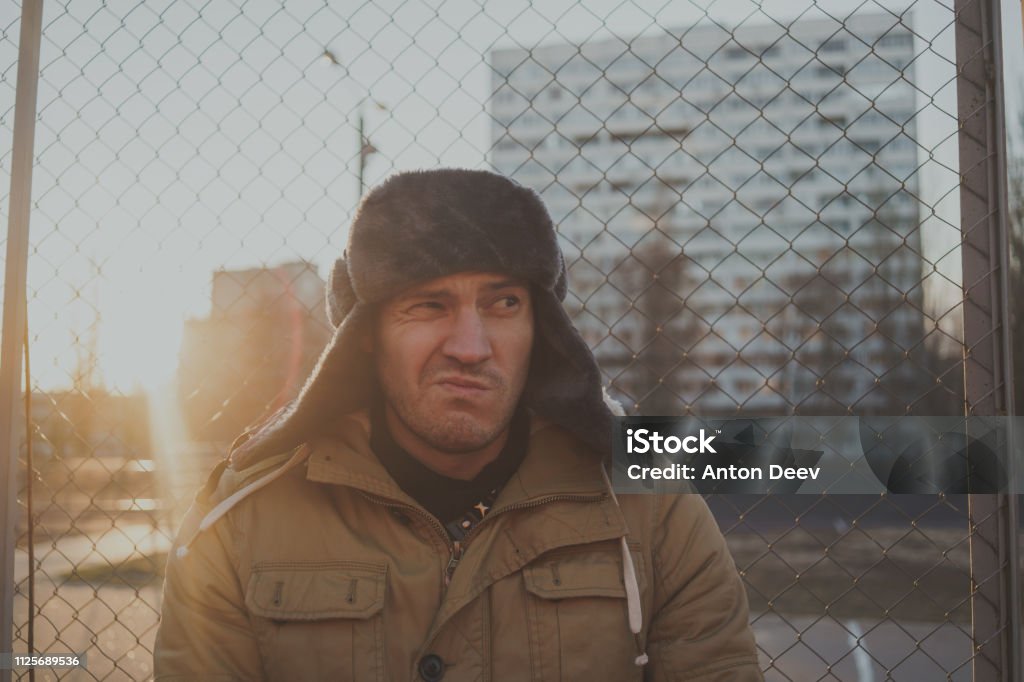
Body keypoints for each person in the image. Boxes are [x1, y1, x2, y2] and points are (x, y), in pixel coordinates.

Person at [154, 168, 762, 681]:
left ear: (541, 330)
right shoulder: (239, 525)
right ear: (364, 337)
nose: (470, 346)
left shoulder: (655, 509)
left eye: (503, 304)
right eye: (427, 304)